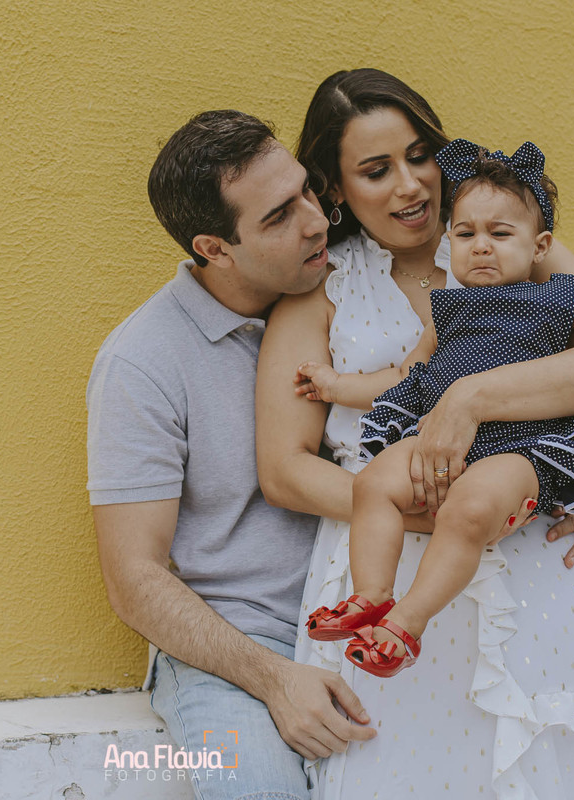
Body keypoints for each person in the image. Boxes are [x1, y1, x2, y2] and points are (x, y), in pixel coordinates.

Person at [255, 69, 574, 798]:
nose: (411, 185)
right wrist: (412, 508)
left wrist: (478, 404)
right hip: (386, 558)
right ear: (337, 189)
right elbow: (284, 469)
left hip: (528, 556)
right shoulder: (321, 289)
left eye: (419, 156)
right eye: (377, 171)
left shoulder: (505, 241)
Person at [297, 139, 574, 679]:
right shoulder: (446, 312)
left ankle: (407, 625)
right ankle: (372, 596)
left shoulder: (556, 297)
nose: (482, 247)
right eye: (466, 234)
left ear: (539, 246)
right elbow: (401, 378)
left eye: (500, 234)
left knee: (468, 511)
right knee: (372, 483)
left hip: (523, 447)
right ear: (450, 239)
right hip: (440, 442)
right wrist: (334, 386)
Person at [87, 109, 376, 800]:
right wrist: (274, 678)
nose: (316, 221)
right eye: (279, 215)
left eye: (308, 191)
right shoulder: (141, 362)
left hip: (364, 616)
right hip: (233, 648)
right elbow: (134, 579)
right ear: (215, 248)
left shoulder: (355, 298)